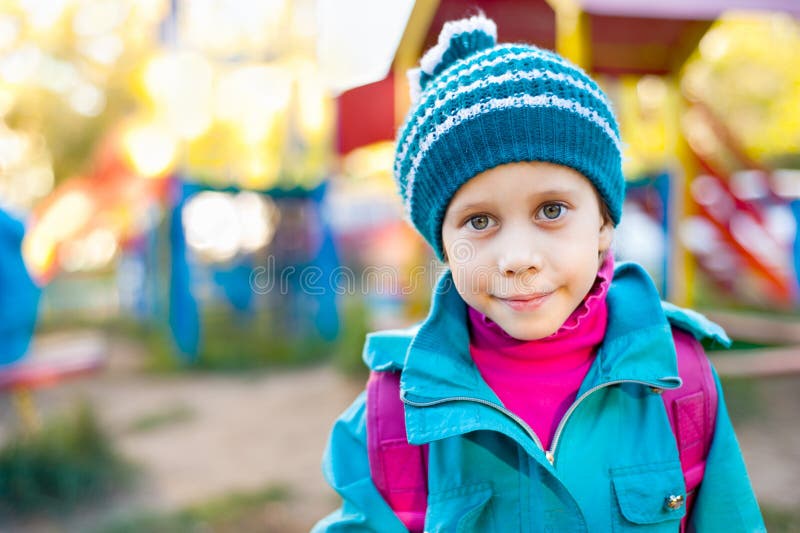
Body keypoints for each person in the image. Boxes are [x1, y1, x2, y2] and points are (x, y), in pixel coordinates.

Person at [312, 14, 764, 532]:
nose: (517, 257)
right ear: (445, 248)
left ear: (604, 223)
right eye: (479, 221)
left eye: (551, 210)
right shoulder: (395, 411)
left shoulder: (678, 378)